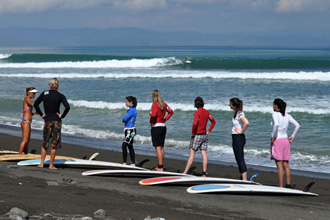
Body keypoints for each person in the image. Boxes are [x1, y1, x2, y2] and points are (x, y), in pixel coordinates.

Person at [34, 78, 70, 170]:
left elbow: (36, 104)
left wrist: (42, 115)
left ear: (50, 85)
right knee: (54, 143)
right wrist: (62, 116)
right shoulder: (60, 95)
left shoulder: (44, 93)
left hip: (47, 120)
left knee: (45, 142)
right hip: (56, 121)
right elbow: (67, 107)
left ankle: (41, 163)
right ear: (57, 85)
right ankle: (51, 165)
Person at [183, 97, 216, 177]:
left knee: (192, 154)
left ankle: (185, 172)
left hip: (197, 135)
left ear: (195, 104)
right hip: (204, 135)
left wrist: (193, 133)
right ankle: (204, 173)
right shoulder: (207, 112)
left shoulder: (197, 112)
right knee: (204, 154)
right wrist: (208, 131)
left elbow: (195, 124)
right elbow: (213, 121)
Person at [271, 98, 300, 188]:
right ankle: (288, 184)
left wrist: (272, 136)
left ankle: (281, 187)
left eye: (273, 104)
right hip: (286, 141)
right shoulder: (287, 115)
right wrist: (292, 136)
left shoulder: (275, 114)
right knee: (286, 165)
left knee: (279, 164)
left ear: (276, 105)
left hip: (278, 141)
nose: (272, 106)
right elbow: (297, 125)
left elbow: (276, 124)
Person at [149, 90, 174, 171]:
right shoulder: (163, 104)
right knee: (161, 147)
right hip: (163, 126)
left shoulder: (155, 104)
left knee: (158, 147)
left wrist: (151, 121)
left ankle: (160, 167)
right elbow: (171, 112)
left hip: (156, 127)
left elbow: (153, 115)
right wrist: (164, 119)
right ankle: (161, 165)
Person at [229, 97, 249, 181]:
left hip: (238, 138)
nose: (229, 105)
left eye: (230, 104)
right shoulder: (236, 113)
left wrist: (241, 131)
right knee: (238, 158)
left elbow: (246, 122)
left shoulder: (239, 113)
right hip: (236, 138)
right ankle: (242, 177)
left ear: (234, 105)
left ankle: (244, 180)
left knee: (240, 159)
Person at [19, 87, 39, 154]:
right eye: (33, 93)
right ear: (29, 93)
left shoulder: (28, 99)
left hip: (27, 122)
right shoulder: (27, 98)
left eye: (35, 94)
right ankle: (19, 154)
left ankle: (26, 153)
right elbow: (33, 104)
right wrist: (41, 100)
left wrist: (34, 113)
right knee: (25, 140)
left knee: (27, 140)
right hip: (25, 122)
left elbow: (28, 113)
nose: (34, 95)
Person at [122, 96, 137, 166]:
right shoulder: (130, 110)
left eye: (126, 102)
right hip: (128, 130)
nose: (125, 103)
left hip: (130, 131)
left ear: (131, 102)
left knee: (124, 145)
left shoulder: (132, 110)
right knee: (130, 146)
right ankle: (133, 162)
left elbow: (124, 119)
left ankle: (124, 162)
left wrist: (124, 119)